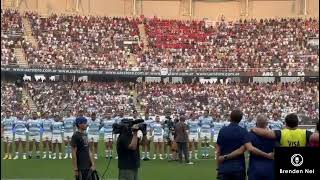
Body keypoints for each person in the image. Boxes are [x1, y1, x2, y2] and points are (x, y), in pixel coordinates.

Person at [216, 110, 273, 180]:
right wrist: (268, 155)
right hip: (239, 168)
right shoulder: (243, 131)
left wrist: (219, 166)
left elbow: (218, 150)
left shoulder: (222, 130)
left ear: (230, 117)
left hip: (225, 168)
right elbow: (245, 149)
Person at [252, 113, 319, 147]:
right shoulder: (305, 133)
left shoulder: (281, 133)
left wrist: (253, 129)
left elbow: (265, 133)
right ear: (297, 123)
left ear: (286, 123)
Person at [247, 115, 277, 180]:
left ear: (256, 123)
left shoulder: (250, 134)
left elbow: (249, 149)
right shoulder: (273, 135)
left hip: (255, 168)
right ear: (267, 123)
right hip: (269, 167)